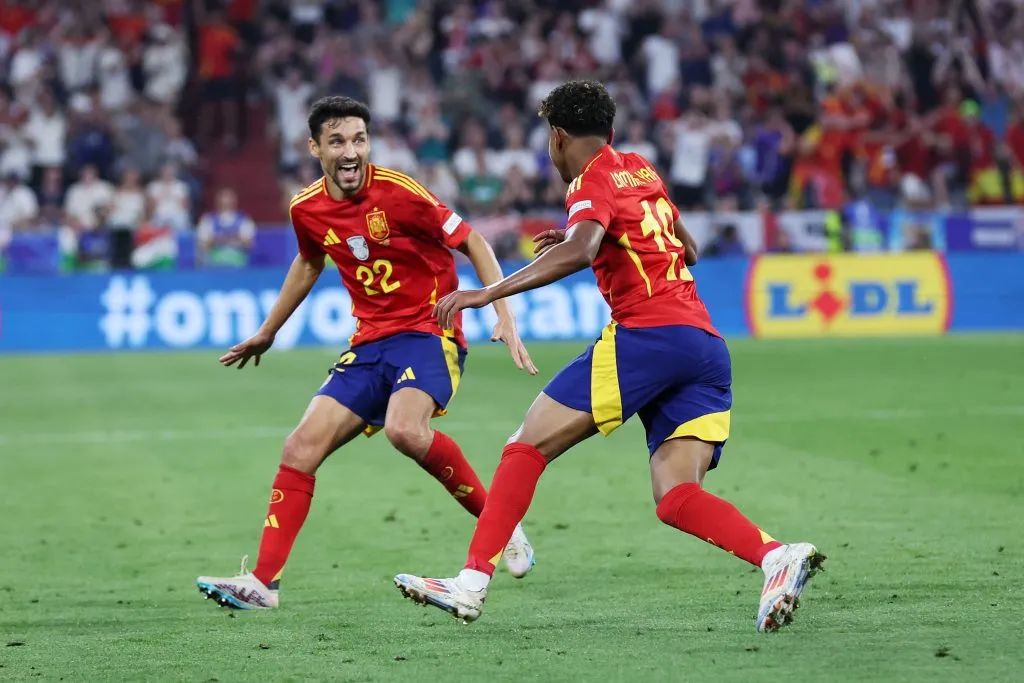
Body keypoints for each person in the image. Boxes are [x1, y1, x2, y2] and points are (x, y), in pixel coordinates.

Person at [393, 81, 824, 633]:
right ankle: (777, 557)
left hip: (648, 335)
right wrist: (593, 237)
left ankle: (471, 583)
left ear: (557, 138)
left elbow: (582, 250)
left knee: (525, 446)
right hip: (704, 345)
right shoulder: (639, 168)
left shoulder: (588, 177)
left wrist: (487, 293)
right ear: (612, 131)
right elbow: (686, 251)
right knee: (675, 497)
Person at [197, 96, 538, 610]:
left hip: (429, 330)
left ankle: (502, 525)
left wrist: (502, 313)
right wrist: (269, 330)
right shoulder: (305, 207)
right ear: (315, 148)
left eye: (359, 139)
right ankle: (264, 583)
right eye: (337, 141)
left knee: (405, 430)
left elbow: (474, 243)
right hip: (369, 342)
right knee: (299, 448)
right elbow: (309, 263)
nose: (351, 151)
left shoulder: (400, 193)